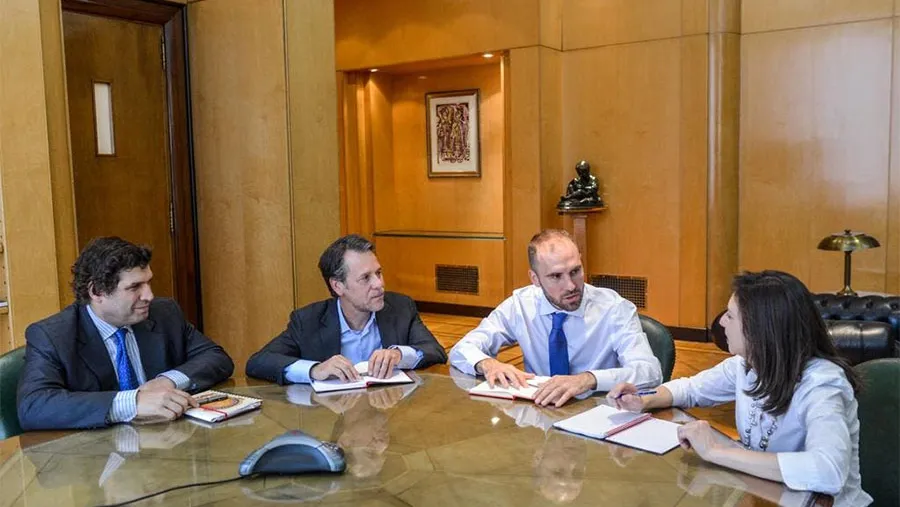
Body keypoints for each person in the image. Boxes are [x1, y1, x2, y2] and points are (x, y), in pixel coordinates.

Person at [608, 270, 872, 507]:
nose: (722, 322)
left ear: (761, 329)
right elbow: (690, 389)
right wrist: (642, 399)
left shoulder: (823, 384)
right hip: (766, 495)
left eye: (731, 315)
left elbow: (828, 471)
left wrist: (717, 452)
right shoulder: (746, 365)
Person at [17, 237, 234, 430]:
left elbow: (216, 358)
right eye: (134, 287)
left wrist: (167, 381)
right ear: (97, 292)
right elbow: (34, 406)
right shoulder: (52, 336)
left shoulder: (165, 313)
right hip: (95, 464)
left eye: (148, 282)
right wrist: (132, 403)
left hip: (165, 445)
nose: (149, 295)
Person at [449, 229, 661, 407]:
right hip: (540, 414)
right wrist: (488, 364)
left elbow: (650, 372)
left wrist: (588, 379)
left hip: (598, 412)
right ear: (535, 279)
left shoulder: (614, 309)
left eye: (576, 271)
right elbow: (462, 348)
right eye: (556, 276)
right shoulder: (520, 305)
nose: (570, 285)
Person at [246, 234, 446, 385]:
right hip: (335, 425)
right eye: (365, 278)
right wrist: (315, 370)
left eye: (378, 273)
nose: (379, 284)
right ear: (338, 286)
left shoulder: (401, 308)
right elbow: (258, 362)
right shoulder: (309, 320)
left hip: (390, 420)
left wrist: (400, 355)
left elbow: (436, 352)